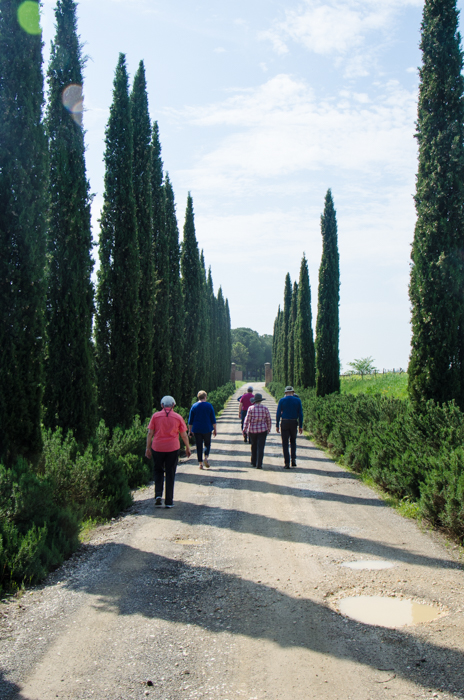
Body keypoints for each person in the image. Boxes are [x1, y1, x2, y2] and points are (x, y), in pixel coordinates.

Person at [145, 396, 191, 508]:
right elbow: (184, 434)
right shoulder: (178, 417)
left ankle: (158, 495)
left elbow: (150, 433)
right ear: (173, 405)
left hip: (157, 448)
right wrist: (187, 447)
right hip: (172, 448)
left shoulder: (155, 416)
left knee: (158, 470)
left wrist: (147, 447)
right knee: (170, 473)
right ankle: (169, 501)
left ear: (161, 405)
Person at [276, 386, 303, 468]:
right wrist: (300, 426)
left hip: (284, 422)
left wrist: (277, 424)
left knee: (285, 443)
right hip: (294, 422)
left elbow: (278, 414)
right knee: (293, 441)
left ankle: (287, 463)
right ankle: (293, 460)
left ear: (285, 393)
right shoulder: (298, 400)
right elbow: (300, 414)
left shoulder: (282, 400)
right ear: (293, 392)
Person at [188, 390, 217, 469]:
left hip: (197, 429)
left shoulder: (194, 406)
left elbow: (190, 420)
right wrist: (215, 429)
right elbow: (213, 419)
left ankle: (200, 464)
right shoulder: (209, 405)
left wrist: (190, 431)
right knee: (207, 444)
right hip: (207, 428)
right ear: (205, 397)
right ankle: (206, 457)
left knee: (199, 446)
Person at [243, 392, 271, 469]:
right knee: (261, 447)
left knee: (254, 445)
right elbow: (268, 419)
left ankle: (253, 462)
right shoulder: (265, 408)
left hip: (252, 430)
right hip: (262, 430)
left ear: (254, 401)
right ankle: (259, 464)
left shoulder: (250, 408)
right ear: (261, 400)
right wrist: (268, 428)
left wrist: (244, 429)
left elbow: (247, 419)